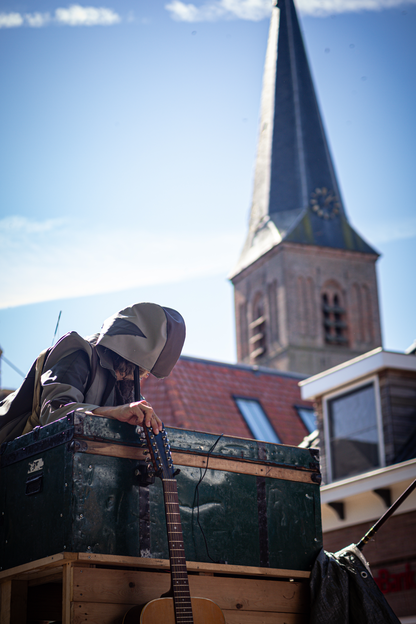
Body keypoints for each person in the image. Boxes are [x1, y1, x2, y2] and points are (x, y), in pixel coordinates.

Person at [2, 303, 185, 442]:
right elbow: (54, 413)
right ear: (135, 355)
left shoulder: (125, 384)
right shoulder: (79, 353)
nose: (145, 376)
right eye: (145, 370)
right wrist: (112, 413)